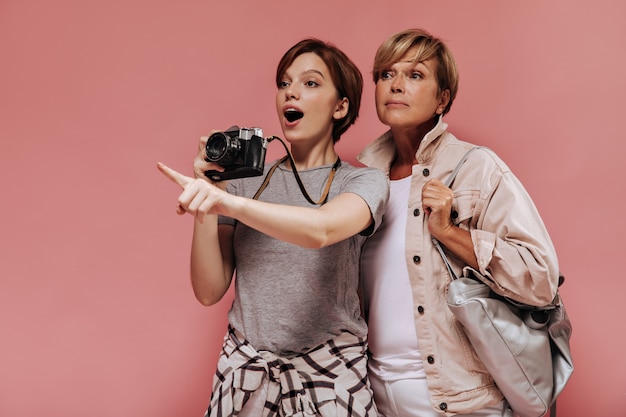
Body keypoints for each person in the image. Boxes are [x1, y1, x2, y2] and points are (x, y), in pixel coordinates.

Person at [158, 38, 387, 417]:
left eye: (310, 83)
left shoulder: (362, 182)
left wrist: (227, 201)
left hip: (331, 375)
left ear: (341, 106)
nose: (290, 93)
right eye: (284, 83)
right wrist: (208, 199)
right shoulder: (245, 183)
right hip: (246, 372)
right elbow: (208, 290)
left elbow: (322, 230)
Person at [357, 28, 560, 417]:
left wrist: (451, 232)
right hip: (375, 394)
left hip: (459, 399)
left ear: (442, 98)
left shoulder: (475, 168)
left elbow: (540, 279)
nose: (396, 85)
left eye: (415, 75)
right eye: (386, 74)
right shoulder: (363, 181)